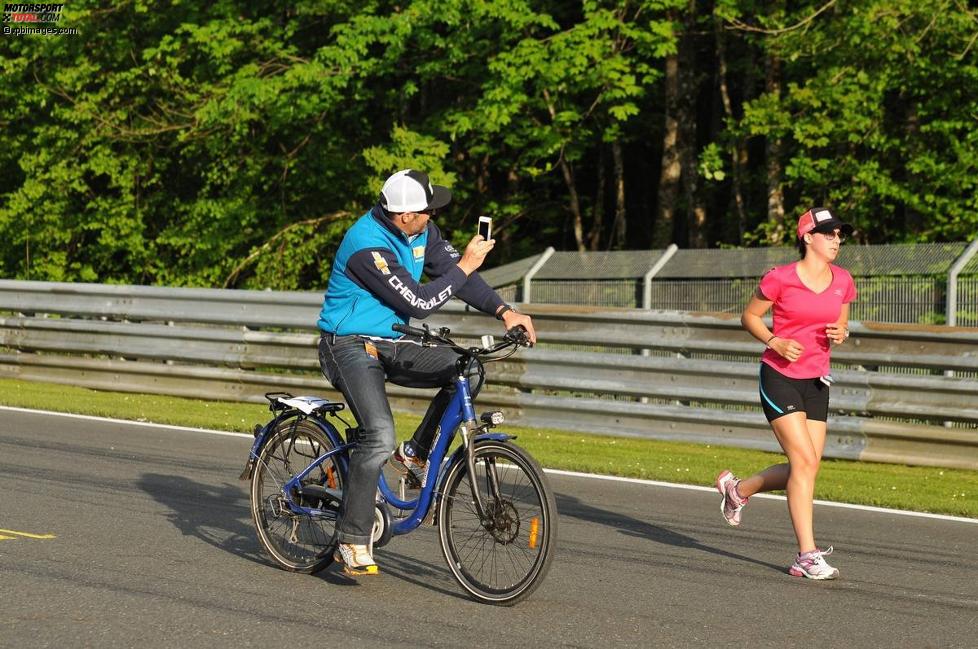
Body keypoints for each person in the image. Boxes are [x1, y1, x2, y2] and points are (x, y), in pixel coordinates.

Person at [317, 169, 536, 576]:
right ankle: (350, 537)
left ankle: (415, 454)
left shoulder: (421, 233)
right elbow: (419, 302)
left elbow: (460, 280)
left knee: (466, 370)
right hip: (347, 344)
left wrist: (505, 312)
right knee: (378, 434)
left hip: (394, 341)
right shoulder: (367, 247)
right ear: (404, 216)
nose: (433, 215)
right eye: (427, 210)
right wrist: (466, 265)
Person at [716, 207, 856, 580]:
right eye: (829, 234)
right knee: (805, 464)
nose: (836, 241)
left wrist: (842, 334)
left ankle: (737, 490)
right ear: (807, 237)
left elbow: (840, 324)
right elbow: (749, 317)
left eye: (840, 235)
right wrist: (775, 341)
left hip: (817, 382)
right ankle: (806, 555)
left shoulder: (843, 280)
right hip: (779, 376)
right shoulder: (780, 278)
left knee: (805, 468)